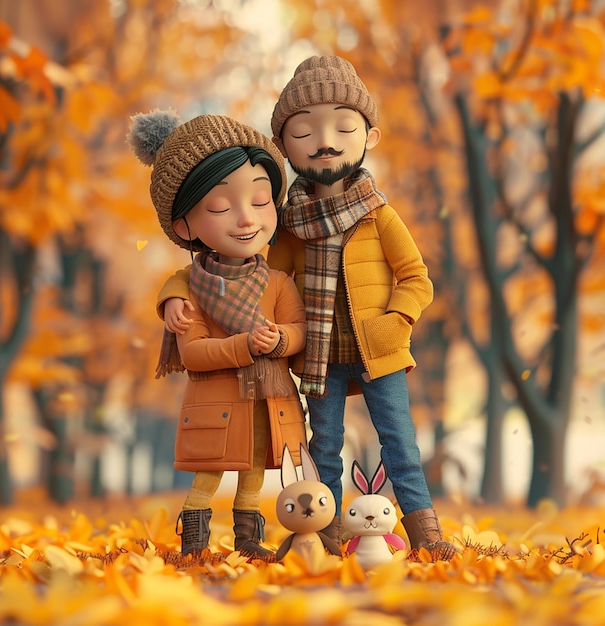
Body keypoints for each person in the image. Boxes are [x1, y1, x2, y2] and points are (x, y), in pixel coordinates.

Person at [159, 56, 456, 560]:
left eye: (344, 126)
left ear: (370, 136)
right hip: (318, 357)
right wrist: (172, 290)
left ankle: (426, 534)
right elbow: (250, 271)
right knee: (323, 450)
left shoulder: (377, 214)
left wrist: (394, 321)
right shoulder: (290, 222)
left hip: (379, 352)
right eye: (305, 130)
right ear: (282, 145)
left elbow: (416, 277)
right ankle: (322, 535)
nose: (326, 139)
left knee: (400, 444)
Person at [127, 111, 307, 559]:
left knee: (254, 474)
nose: (246, 219)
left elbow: (299, 330)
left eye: (261, 200)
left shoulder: (278, 282)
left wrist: (281, 340)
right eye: (221, 207)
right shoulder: (190, 290)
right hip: (220, 404)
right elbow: (195, 354)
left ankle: (248, 539)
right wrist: (246, 344)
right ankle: (194, 540)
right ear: (185, 225)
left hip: (269, 400)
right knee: (208, 475)